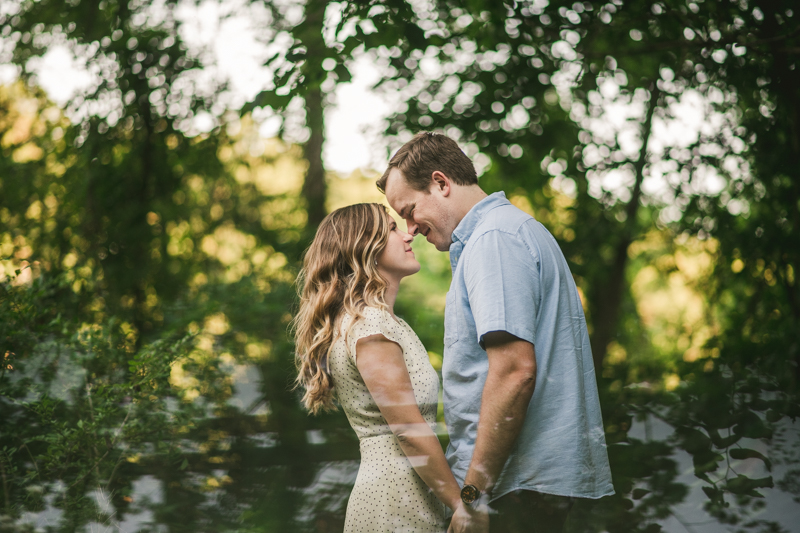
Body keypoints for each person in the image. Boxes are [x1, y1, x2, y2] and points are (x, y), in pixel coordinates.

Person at [377, 132, 615, 533]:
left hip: (515, 486)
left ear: (440, 182)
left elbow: (514, 372)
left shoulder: (494, 241)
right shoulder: (508, 232)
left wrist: (472, 495)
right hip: (518, 484)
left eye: (410, 210)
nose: (410, 227)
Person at [293, 203, 462, 532]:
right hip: (394, 504)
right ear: (364, 248)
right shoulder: (371, 325)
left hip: (405, 496)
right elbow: (408, 431)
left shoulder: (373, 321)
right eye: (392, 228)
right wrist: (460, 503)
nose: (408, 234)